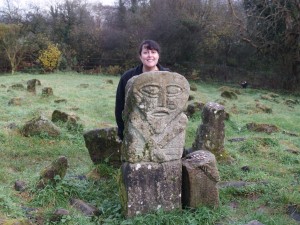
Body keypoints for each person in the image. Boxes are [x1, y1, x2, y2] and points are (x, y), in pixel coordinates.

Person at [115, 40, 170, 140]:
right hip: (135, 130)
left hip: (162, 130)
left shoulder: (170, 77)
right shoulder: (127, 77)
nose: (150, 55)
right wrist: (122, 132)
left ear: (158, 55)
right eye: (145, 52)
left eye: (153, 52)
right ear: (140, 56)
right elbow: (119, 107)